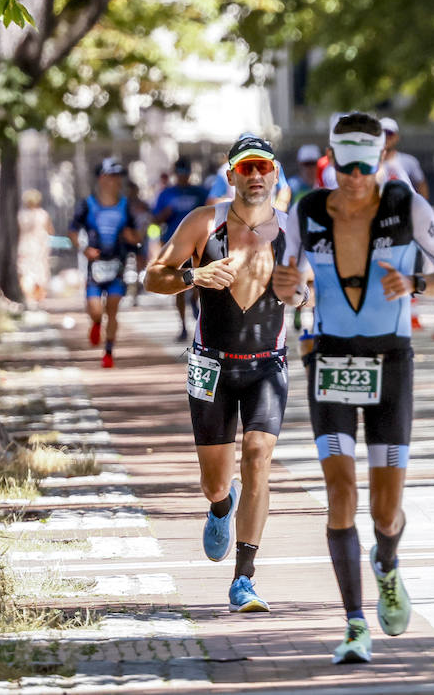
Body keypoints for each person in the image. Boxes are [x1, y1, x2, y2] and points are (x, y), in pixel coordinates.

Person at [273, 112, 434, 664]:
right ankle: (354, 623)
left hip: (391, 360)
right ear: (331, 161)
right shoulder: (307, 211)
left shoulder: (407, 206)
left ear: (382, 160)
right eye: (345, 166)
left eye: (366, 165)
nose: (355, 177)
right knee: (340, 495)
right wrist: (288, 289)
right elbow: (291, 286)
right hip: (331, 358)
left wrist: (418, 283)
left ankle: (387, 562)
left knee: (384, 511)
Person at [144, 135, 297, 613]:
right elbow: (153, 276)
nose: (255, 176)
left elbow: (310, 288)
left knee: (257, 455)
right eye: (245, 169)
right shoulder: (202, 223)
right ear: (231, 176)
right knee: (215, 481)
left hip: (266, 366)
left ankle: (244, 578)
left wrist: (303, 296)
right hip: (210, 365)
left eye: (262, 168)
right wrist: (193, 277)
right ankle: (219, 506)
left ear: (274, 175)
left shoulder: (293, 230)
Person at [69, 159, 143, 368]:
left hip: (117, 266)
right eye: (112, 177)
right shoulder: (87, 205)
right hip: (95, 267)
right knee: (95, 311)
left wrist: (132, 237)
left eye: (119, 177)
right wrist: (84, 250)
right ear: (102, 179)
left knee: (112, 310)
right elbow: (72, 230)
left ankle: (108, 352)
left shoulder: (125, 206)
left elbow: (137, 236)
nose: (116, 181)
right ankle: (95, 323)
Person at [154, 159, 212, 340]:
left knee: (197, 280)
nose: (182, 176)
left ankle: (194, 301)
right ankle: (183, 327)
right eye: (179, 172)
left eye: (185, 172)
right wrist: (164, 215)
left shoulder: (200, 192)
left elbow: (212, 212)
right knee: (177, 285)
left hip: (198, 244)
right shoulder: (166, 194)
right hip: (174, 245)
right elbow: (154, 219)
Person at [17, 189, 55, 305]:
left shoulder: (21, 215)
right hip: (39, 247)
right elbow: (50, 231)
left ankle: (29, 298)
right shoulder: (43, 214)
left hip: (25, 246)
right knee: (40, 271)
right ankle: (38, 299)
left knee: (26, 272)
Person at [380, 117, 430, 198]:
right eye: (381, 133)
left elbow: (421, 185)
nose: (385, 137)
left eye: (389, 133)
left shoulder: (409, 161)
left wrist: (422, 208)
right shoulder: (369, 164)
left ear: (397, 137)